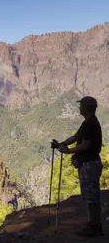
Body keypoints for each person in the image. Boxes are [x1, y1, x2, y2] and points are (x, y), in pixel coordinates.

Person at [52, 96, 103, 237]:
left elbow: (85, 145)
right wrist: (61, 144)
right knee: (91, 196)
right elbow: (75, 137)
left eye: (81, 106)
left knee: (91, 197)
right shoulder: (88, 123)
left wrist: (67, 151)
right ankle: (93, 225)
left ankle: (94, 227)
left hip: (89, 164)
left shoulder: (89, 124)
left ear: (86, 108)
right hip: (90, 164)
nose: (79, 108)